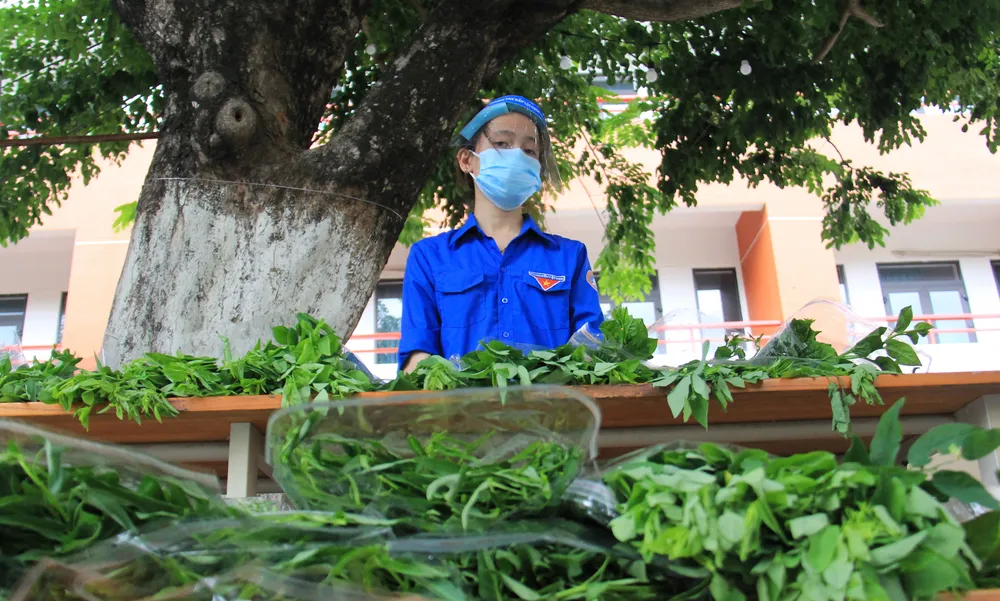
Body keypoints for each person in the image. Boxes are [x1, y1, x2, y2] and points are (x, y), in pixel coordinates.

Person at [398, 95, 604, 373]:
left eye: (529, 150)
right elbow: (416, 358)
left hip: (552, 402)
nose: (517, 156)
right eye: (502, 144)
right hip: (459, 402)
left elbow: (593, 352)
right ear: (467, 160)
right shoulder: (429, 257)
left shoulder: (570, 257)